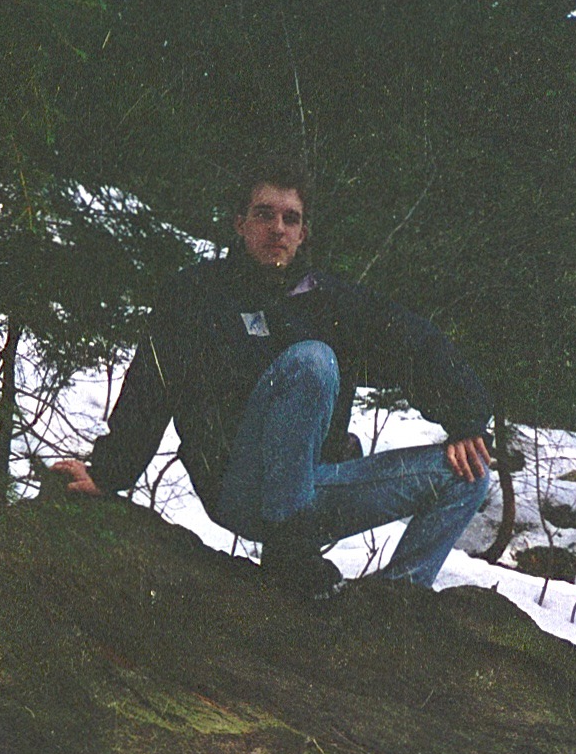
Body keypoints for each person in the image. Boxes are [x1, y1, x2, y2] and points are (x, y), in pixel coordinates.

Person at [53, 160, 492, 598]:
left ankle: (394, 603)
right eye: (264, 215)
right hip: (237, 487)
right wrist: (110, 472)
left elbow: (414, 342)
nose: (277, 228)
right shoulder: (197, 295)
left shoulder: (331, 301)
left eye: (290, 219)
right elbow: (151, 384)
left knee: (467, 476)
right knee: (312, 362)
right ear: (240, 224)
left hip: (312, 489)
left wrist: (467, 420)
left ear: (303, 235)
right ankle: (288, 552)